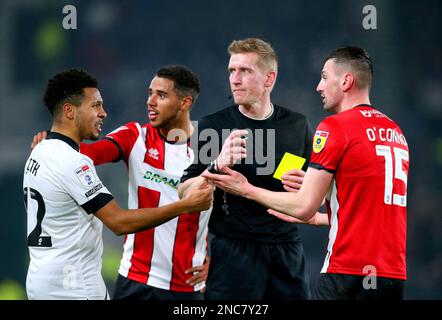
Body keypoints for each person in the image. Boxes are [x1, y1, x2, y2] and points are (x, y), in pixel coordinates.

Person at [202, 46, 409, 300]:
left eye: (324, 77)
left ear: (346, 81)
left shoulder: (335, 127)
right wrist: (321, 217)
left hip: (348, 271)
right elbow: (371, 209)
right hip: (393, 275)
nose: (318, 87)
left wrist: (246, 189)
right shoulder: (395, 132)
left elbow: (302, 207)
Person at [23, 68, 213, 300]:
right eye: (149, 93)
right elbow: (89, 153)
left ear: (185, 102)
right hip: (135, 279)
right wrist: (56, 139)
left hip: (187, 284)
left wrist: (219, 261)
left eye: (161, 95)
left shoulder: (209, 149)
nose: (150, 102)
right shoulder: (134, 137)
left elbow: (236, 209)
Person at [178, 38, 312, 299]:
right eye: (232, 71)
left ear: (269, 79)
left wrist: (309, 184)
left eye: (245, 71)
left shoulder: (297, 126)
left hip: (286, 253)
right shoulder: (213, 126)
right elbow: (185, 192)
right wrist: (216, 164)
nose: (235, 79)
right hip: (233, 254)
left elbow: (313, 192)